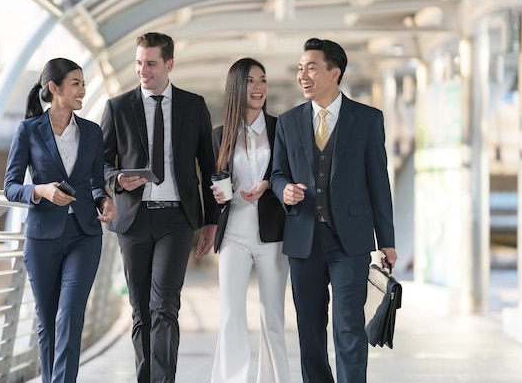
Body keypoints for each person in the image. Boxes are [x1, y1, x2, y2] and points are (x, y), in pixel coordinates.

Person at [270, 38, 398, 383]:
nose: (303, 75)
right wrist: (285, 190)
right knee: (310, 333)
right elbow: (277, 174)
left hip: (351, 241)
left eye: (311, 67)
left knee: (349, 328)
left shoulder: (368, 119)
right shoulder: (288, 122)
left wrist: (386, 241)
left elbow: (378, 183)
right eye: (300, 69)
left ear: (334, 72)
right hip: (303, 239)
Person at [100, 32, 219, 383]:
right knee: (141, 312)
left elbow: (209, 167)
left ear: (169, 64)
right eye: (138, 63)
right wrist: (118, 180)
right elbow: (103, 165)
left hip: (176, 219)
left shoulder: (193, 105)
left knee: (165, 306)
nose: (143, 71)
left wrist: (212, 222)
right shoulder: (117, 107)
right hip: (132, 220)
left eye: (150, 64)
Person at [3, 58, 116, 383]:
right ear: (54, 88)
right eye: (76, 83)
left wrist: (104, 199)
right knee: (47, 320)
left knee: (70, 315)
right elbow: (10, 187)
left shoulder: (92, 132)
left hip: (84, 235)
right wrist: (40, 190)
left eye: (83, 83)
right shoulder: (28, 130)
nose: (83, 89)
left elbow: (96, 183)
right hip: (42, 238)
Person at [209, 58, 290, 383]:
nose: (258, 88)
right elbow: (211, 183)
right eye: (250, 81)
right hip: (234, 234)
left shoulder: (280, 128)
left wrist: (269, 184)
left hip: (273, 232)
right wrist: (217, 194)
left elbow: (289, 173)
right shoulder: (219, 135)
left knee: (272, 316)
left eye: (262, 80)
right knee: (231, 315)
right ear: (236, 87)